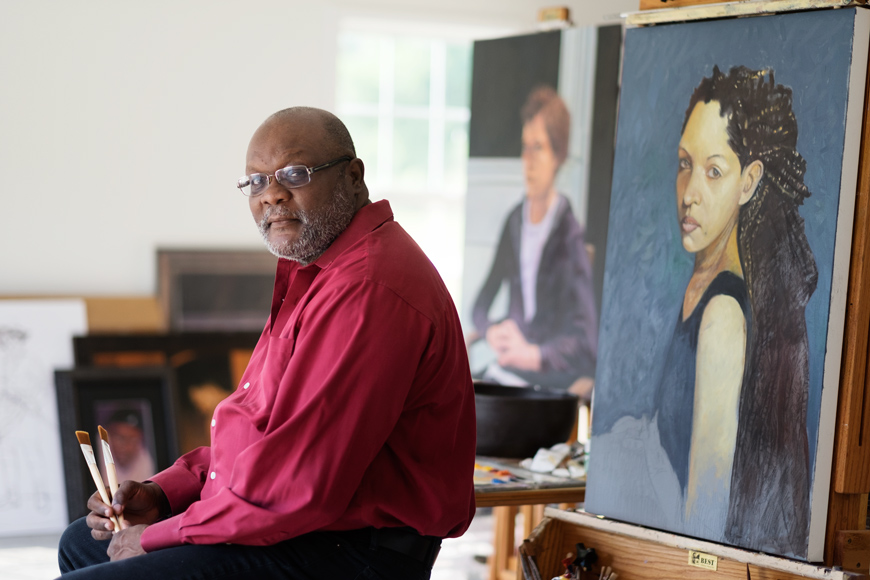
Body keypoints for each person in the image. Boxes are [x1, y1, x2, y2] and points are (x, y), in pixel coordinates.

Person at [57, 106, 477, 580]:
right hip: (306, 529)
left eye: (294, 173)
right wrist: (164, 493)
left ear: (353, 177)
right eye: (254, 182)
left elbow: (299, 483)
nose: (272, 194)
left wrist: (157, 535)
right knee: (82, 543)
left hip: (350, 552)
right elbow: (259, 434)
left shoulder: (368, 288)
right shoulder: (319, 271)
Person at [654, 65, 818, 553]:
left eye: (713, 171)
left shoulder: (724, 314)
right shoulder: (699, 288)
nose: (689, 193)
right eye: (684, 163)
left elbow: (703, 523)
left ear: (748, 183)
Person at [471, 86, 597, 395]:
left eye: (538, 148)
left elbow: (586, 342)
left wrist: (535, 354)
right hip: (508, 372)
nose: (528, 161)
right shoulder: (515, 221)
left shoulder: (568, 234)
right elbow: (481, 303)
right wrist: (492, 331)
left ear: (558, 155)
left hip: (545, 383)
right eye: (525, 147)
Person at [104, 409, 156, 484]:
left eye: (133, 440)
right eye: (119, 438)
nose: (126, 447)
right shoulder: (96, 451)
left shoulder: (146, 463)